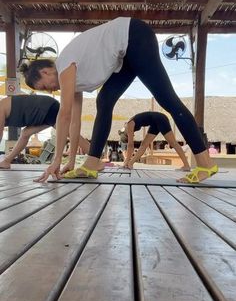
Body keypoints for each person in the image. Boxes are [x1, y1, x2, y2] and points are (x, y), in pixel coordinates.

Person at [20, 17, 218, 184]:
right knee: (104, 100)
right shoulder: (71, 79)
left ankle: (205, 163)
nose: (50, 90)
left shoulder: (64, 65)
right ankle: (92, 162)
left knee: (167, 99)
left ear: (45, 71)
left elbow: (63, 116)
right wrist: (70, 160)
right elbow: (73, 120)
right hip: (126, 53)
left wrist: (55, 160)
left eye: (45, 86)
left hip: (135, 35)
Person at [0, 94, 88, 169]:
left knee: (73, 135)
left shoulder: (1, 107)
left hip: (48, 108)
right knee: (25, 134)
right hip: (40, 114)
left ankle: (94, 157)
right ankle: (6, 161)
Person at [122, 111, 191, 171]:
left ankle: (186, 165)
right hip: (154, 123)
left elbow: (130, 144)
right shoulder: (129, 124)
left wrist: (127, 160)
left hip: (160, 119)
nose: (132, 135)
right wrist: (128, 161)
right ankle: (131, 164)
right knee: (144, 144)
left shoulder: (129, 124)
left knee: (173, 142)